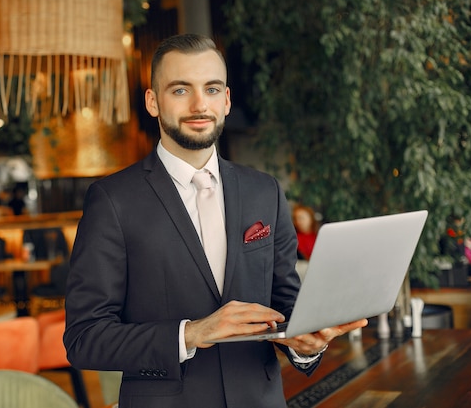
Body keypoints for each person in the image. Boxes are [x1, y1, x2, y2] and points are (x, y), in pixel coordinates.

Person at [63, 34, 366, 408]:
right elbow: (84, 338)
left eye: (211, 89)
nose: (198, 104)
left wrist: (306, 345)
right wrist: (191, 333)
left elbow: (286, 307)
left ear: (226, 100)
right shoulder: (111, 200)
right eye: (179, 90)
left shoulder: (265, 191)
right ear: (153, 102)